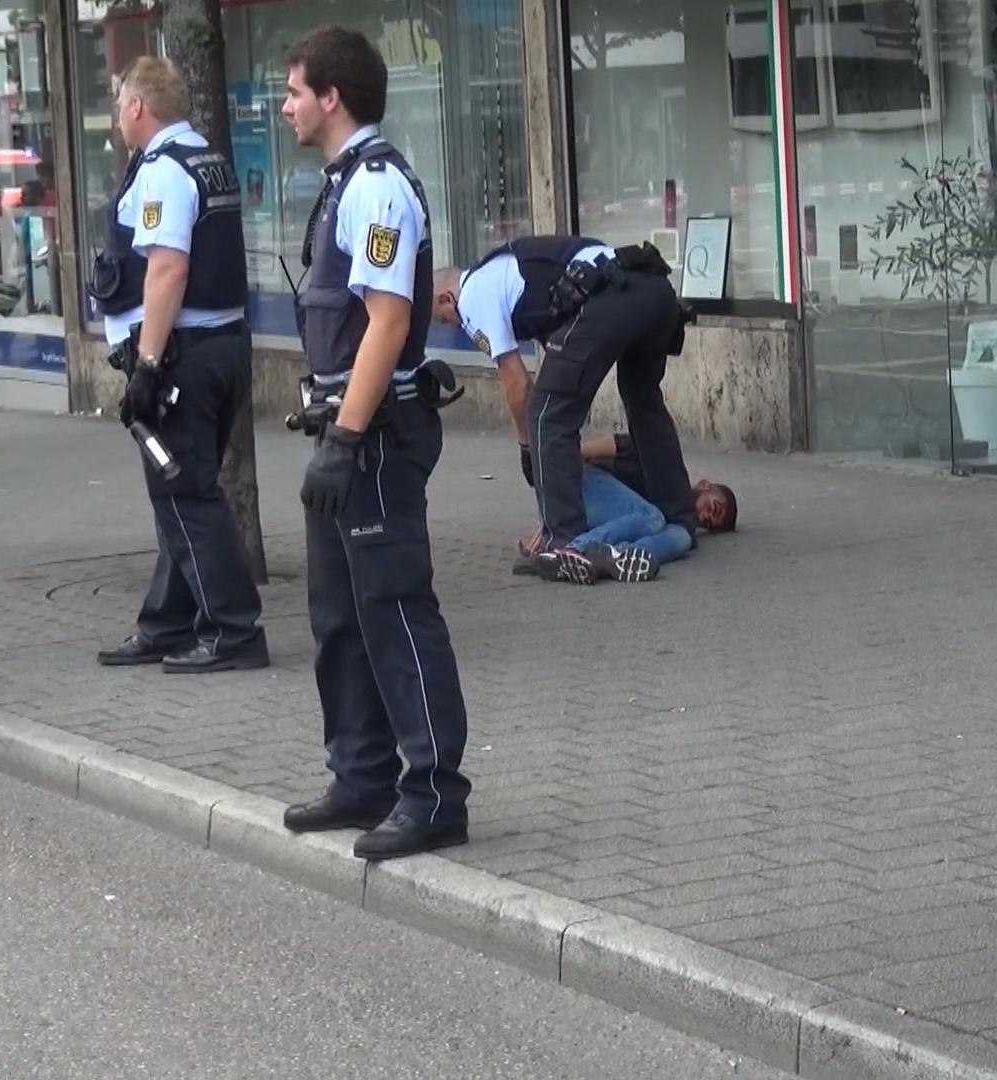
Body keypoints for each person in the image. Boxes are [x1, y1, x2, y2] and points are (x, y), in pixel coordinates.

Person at [277, 26, 471, 861]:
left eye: (293, 91)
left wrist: (349, 439)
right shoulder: (343, 184)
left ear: (332, 96)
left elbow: (391, 321)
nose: (284, 106)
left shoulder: (379, 188)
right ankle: (360, 776)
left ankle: (432, 795)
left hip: (376, 436)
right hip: (344, 433)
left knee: (393, 608)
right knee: (340, 617)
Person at [87, 56, 268, 675]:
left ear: (138, 107)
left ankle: (234, 631)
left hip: (182, 362)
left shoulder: (165, 169)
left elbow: (168, 268)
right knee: (180, 490)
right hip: (221, 350)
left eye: (119, 104)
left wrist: (145, 365)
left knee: (185, 493)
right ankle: (166, 624)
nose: (117, 115)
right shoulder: (207, 160)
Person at [431, 232, 696, 586]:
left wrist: (527, 447)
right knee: (643, 400)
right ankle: (678, 513)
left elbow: (517, 383)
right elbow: (565, 358)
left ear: (447, 299)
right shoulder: (515, 272)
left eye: (445, 318)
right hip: (654, 291)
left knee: (545, 414)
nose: (454, 324)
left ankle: (563, 542)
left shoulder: (474, 295)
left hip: (610, 299)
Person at [516, 432, 739, 584]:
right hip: (583, 485)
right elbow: (584, 452)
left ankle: (610, 559)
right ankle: (574, 549)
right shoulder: (666, 465)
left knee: (682, 538)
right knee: (652, 517)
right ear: (704, 485)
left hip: (599, 523)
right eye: (714, 508)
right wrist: (554, 511)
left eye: (709, 523)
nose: (706, 516)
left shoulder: (683, 521)